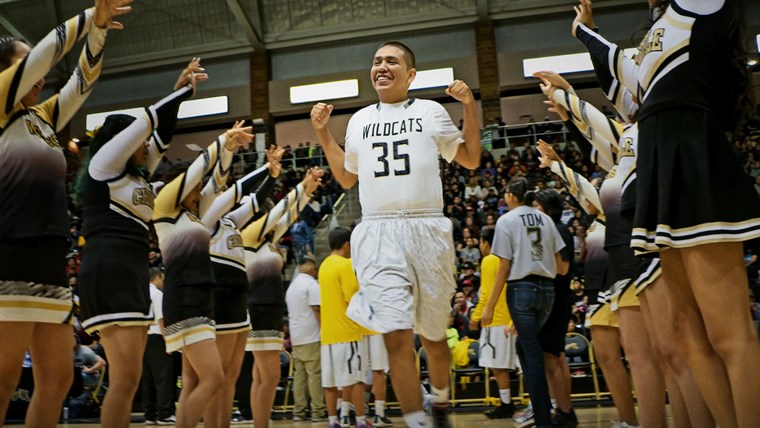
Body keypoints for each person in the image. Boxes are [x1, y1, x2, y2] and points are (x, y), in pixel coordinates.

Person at [573, 0, 760, 424]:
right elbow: (617, 64)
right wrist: (584, 30)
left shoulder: (698, 6)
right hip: (659, 171)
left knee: (728, 333)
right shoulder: (652, 40)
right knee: (688, 335)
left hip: (693, 159)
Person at [311, 40, 481, 428]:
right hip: (378, 231)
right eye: (376, 61)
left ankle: (439, 403)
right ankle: (416, 421)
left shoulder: (431, 111)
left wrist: (469, 107)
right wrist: (323, 134)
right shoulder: (358, 121)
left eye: (391, 61)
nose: (382, 67)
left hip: (427, 228)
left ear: (411, 73)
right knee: (395, 334)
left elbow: (471, 159)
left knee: (435, 338)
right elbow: (345, 176)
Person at [0, 1, 131, 425]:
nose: (38, 79)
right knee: (2, 380)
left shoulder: (42, 116)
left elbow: (82, 82)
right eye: (24, 68)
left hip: (52, 261)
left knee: (56, 380)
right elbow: (45, 55)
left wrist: (99, 32)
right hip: (9, 253)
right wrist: (88, 15)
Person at [78, 60, 203, 427]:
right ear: (122, 139)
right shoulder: (103, 165)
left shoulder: (136, 177)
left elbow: (161, 134)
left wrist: (181, 96)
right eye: (138, 139)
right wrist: (179, 90)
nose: (146, 144)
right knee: (126, 378)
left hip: (128, 271)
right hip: (110, 267)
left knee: (126, 379)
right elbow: (149, 121)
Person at [153, 122, 252, 427]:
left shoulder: (193, 214)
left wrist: (230, 150)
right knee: (213, 378)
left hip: (201, 297)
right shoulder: (164, 207)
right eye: (194, 189)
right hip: (183, 297)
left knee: (196, 381)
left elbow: (217, 184)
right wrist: (221, 141)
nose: (199, 195)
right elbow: (199, 173)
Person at [200, 146, 283, 428]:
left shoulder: (231, 222)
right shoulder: (207, 220)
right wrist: (260, 170)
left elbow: (256, 202)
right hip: (220, 298)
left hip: (239, 301)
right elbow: (234, 192)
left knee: (231, 376)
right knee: (219, 376)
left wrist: (272, 176)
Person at [481, 177, 567, 428]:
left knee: (531, 353)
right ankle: (541, 410)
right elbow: (561, 265)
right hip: (548, 291)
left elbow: (504, 266)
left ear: (510, 196)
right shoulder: (546, 220)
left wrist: (489, 305)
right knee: (525, 347)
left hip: (521, 289)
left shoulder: (506, 220)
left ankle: (542, 418)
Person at [241, 168, 322, 428]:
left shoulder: (266, 240)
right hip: (260, 308)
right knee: (270, 375)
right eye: (268, 214)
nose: (275, 220)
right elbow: (280, 214)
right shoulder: (248, 236)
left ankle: (259, 424)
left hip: (269, 308)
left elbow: (288, 217)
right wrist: (301, 187)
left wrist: (308, 191)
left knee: (260, 375)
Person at [533, 189, 578, 427]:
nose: (533, 211)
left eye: (537, 207)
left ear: (549, 209)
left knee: (551, 359)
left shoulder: (559, 230)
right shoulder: (551, 230)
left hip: (556, 299)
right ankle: (564, 410)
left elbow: (562, 268)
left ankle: (565, 412)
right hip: (554, 299)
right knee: (557, 358)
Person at [318, 227, 370, 428]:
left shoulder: (323, 266)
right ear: (347, 244)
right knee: (356, 379)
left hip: (328, 335)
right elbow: (352, 298)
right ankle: (361, 421)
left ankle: (333, 421)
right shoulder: (346, 265)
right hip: (347, 332)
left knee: (330, 382)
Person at [468, 226, 518, 419]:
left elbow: (486, 293)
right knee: (520, 365)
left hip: (496, 319)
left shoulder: (489, 260)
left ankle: (507, 404)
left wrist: (475, 317)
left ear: (486, 243)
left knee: (498, 366)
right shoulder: (511, 257)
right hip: (514, 317)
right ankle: (531, 402)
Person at [285, 257, 327, 422]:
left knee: (300, 376)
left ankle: (299, 411)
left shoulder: (292, 287)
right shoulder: (311, 285)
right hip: (312, 336)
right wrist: (324, 330)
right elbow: (317, 310)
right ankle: (317, 411)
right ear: (312, 269)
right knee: (315, 374)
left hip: (297, 337)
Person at [140, 268, 175, 425]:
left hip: (142, 339)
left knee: (147, 379)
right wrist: (169, 342)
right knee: (163, 378)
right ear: (158, 277)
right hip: (156, 338)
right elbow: (161, 320)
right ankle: (164, 414)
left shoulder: (140, 291)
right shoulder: (157, 294)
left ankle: (149, 414)